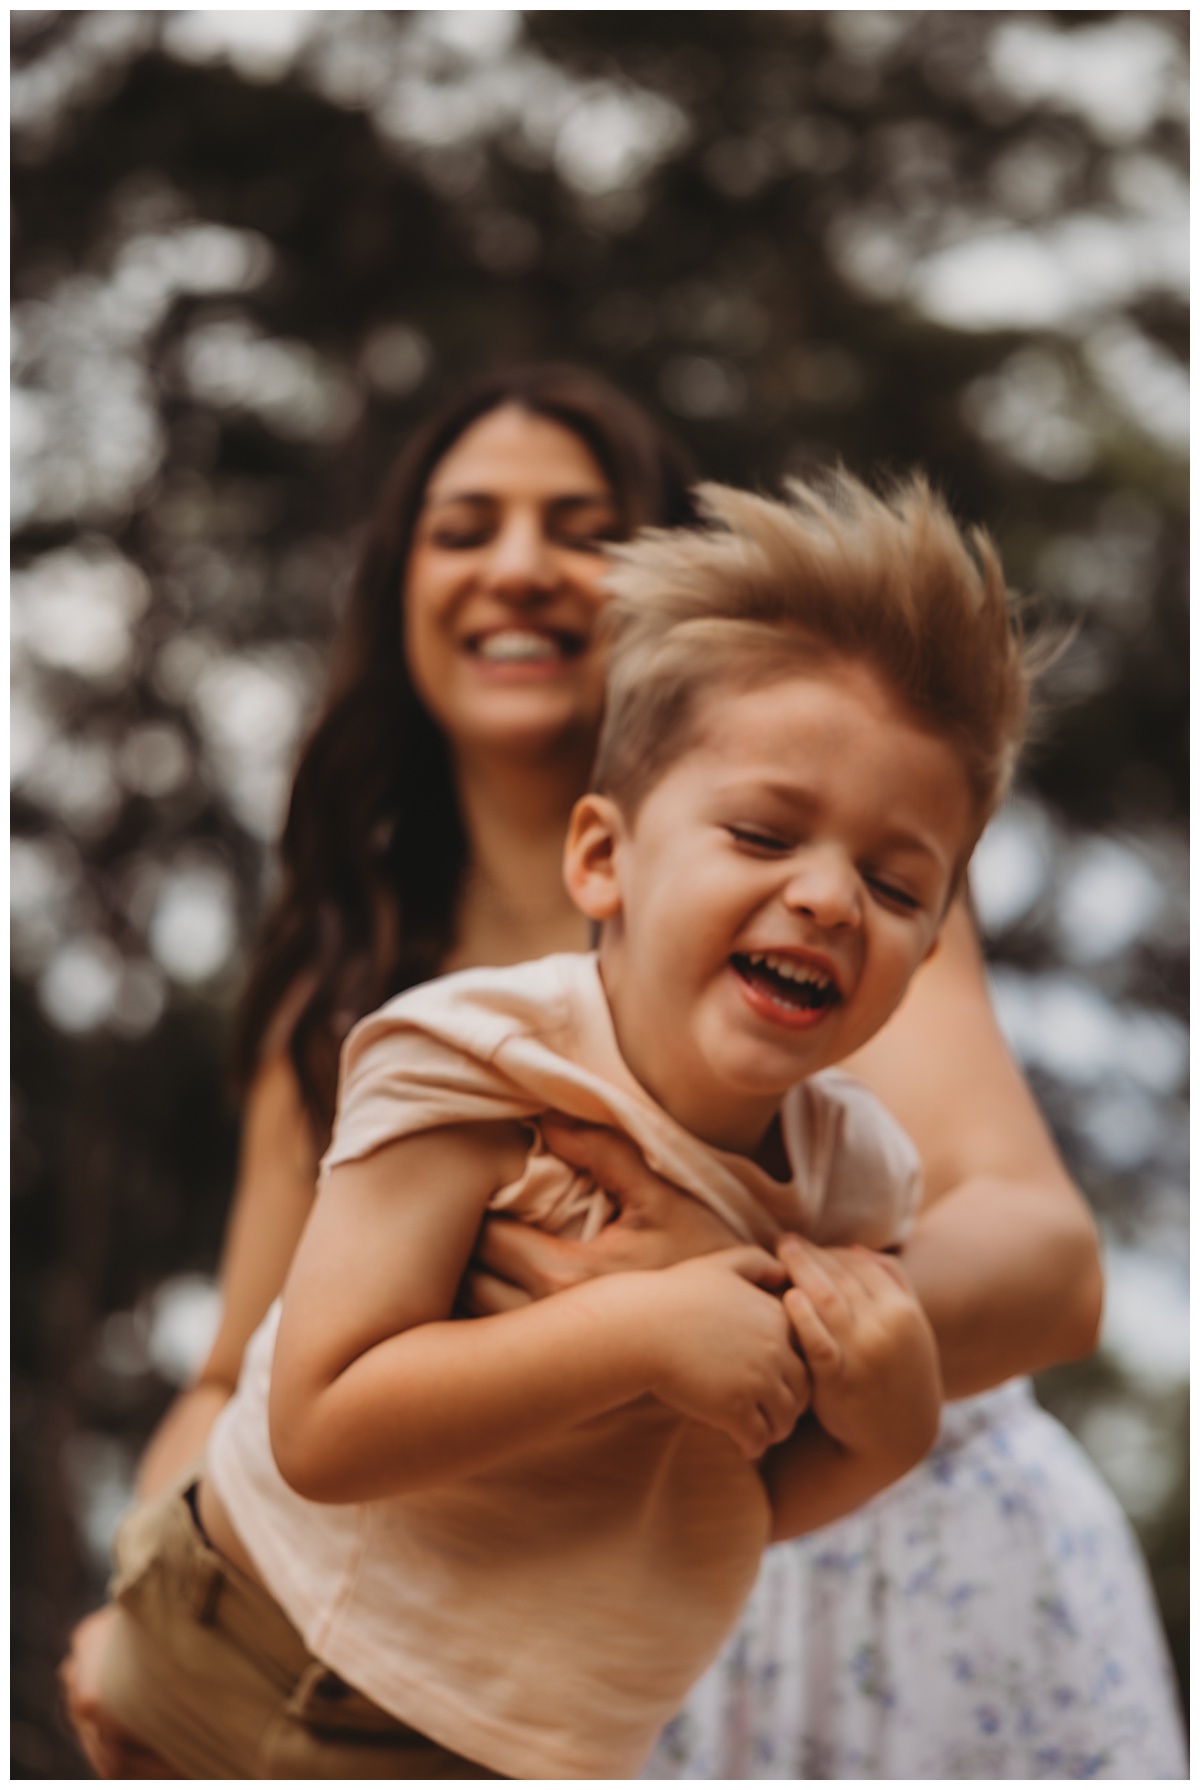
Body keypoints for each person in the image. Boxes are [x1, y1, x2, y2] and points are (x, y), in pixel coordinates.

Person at [54, 365, 1166, 1779]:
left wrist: (761, 1313)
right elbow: (243, 1381)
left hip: (842, 1602)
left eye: (576, 526)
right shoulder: (380, 1011)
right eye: (464, 530)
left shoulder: (853, 888)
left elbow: (1048, 1262)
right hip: (412, 1627)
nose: (517, 565)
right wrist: (137, 1605)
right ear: (606, 853)